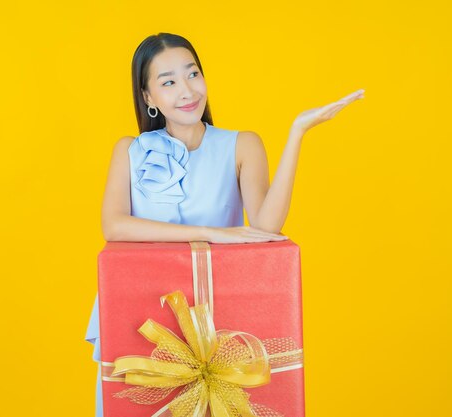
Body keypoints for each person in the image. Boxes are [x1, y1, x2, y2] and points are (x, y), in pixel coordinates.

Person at [86, 32, 365, 416]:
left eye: (193, 74)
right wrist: (211, 233)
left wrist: (297, 133)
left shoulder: (241, 145)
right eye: (168, 82)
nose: (186, 90)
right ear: (148, 97)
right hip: (140, 319)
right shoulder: (129, 152)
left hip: (219, 320)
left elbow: (266, 229)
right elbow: (115, 227)